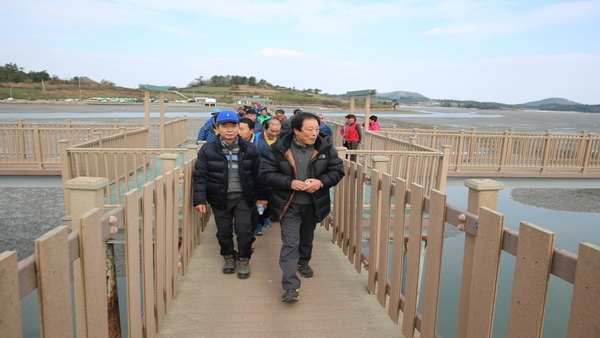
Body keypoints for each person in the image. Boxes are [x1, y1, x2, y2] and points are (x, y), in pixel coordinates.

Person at [260, 112, 345, 302]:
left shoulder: (326, 148)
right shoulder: (278, 149)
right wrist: (289, 183)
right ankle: (291, 286)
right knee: (290, 243)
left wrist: (321, 182)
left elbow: (337, 171)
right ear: (296, 130)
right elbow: (266, 173)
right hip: (288, 204)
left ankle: (303, 262)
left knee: (306, 238)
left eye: (316, 128)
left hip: (313, 204)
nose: (315, 133)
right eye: (309, 129)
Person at [193, 110, 269, 279]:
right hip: (220, 197)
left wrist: (262, 198)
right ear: (217, 127)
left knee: (244, 231)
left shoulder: (250, 148)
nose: (229, 130)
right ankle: (228, 257)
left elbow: (259, 175)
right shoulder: (207, 149)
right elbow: (200, 176)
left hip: (244, 197)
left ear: (238, 128)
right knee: (223, 231)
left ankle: (243, 258)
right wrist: (199, 200)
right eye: (224, 126)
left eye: (233, 126)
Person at [253, 118, 282, 234]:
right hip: (259, 174)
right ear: (265, 128)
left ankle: (267, 216)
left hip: (275, 174)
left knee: (272, 197)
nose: (274, 134)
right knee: (259, 198)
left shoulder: (282, 141)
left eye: (277, 131)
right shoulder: (255, 139)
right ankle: (258, 223)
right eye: (272, 131)